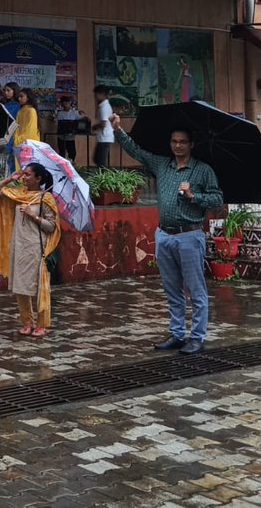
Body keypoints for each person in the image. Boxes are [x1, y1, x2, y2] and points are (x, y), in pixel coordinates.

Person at [111, 114, 223, 355]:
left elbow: (217, 198)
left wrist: (195, 196)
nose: (178, 146)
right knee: (172, 289)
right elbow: (137, 151)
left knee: (196, 289)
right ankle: (177, 333)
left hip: (190, 236)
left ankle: (197, 337)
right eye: (174, 141)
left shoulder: (203, 171)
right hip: (165, 235)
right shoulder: (163, 165)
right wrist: (118, 130)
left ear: (191, 145)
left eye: (182, 142)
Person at [0, 164, 61, 336]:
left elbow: (51, 226)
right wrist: (9, 179)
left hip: (36, 248)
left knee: (38, 286)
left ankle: (42, 324)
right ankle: (27, 322)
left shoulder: (46, 198)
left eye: (28, 175)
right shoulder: (19, 194)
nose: (24, 177)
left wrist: (33, 215)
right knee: (20, 285)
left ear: (38, 179)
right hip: (19, 245)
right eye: (23, 174)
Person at [54, 96, 83, 162]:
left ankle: (71, 165)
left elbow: (80, 122)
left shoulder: (75, 113)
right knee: (62, 153)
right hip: (61, 137)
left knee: (72, 153)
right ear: (62, 104)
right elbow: (58, 124)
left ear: (70, 103)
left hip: (71, 137)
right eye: (64, 103)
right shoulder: (60, 113)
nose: (65, 105)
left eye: (67, 103)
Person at [92, 85, 114, 167]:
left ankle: (104, 177)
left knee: (100, 161)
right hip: (103, 137)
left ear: (102, 94)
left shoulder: (104, 107)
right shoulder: (103, 106)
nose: (95, 97)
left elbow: (103, 123)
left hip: (105, 137)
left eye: (96, 95)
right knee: (97, 159)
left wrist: (94, 127)